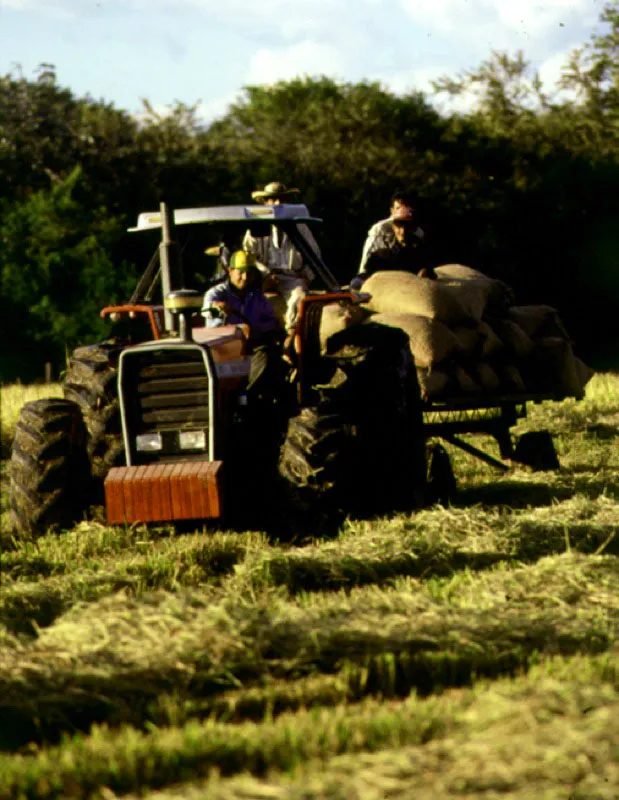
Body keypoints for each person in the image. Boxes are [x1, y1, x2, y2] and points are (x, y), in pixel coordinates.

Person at [202, 250, 285, 402]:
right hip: (223, 352)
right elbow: (208, 312)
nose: (245, 277)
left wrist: (264, 330)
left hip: (250, 349)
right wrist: (237, 328)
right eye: (241, 272)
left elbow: (269, 321)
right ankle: (241, 399)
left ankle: (252, 400)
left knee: (271, 358)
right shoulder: (216, 294)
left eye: (249, 273)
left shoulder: (257, 296)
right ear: (230, 271)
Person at [243, 181, 321, 331]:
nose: (278, 203)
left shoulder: (299, 225)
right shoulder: (256, 227)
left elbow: (314, 254)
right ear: (265, 203)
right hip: (264, 278)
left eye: (282, 199)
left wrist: (306, 276)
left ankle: (292, 337)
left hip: (292, 277)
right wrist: (266, 274)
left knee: (299, 299)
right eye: (273, 199)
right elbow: (249, 256)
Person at [352, 190, 434, 288]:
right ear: (392, 210)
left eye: (408, 226)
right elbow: (368, 261)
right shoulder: (380, 230)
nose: (403, 231)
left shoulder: (418, 233)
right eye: (398, 208)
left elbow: (424, 261)